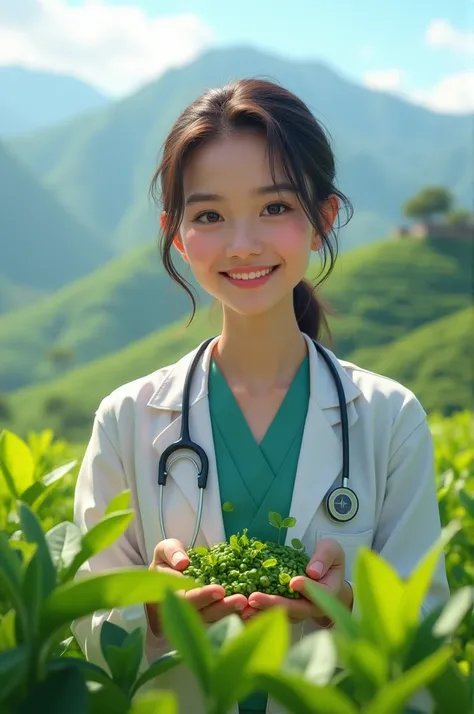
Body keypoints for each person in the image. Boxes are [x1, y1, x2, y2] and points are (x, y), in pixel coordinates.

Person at [72, 78, 450, 714]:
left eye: (275, 207)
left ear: (323, 217)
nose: (242, 244)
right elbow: (84, 627)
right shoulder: (128, 418)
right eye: (210, 216)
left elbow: (425, 632)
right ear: (176, 232)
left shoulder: (390, 417)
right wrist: (149, 610)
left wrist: (349, 607)